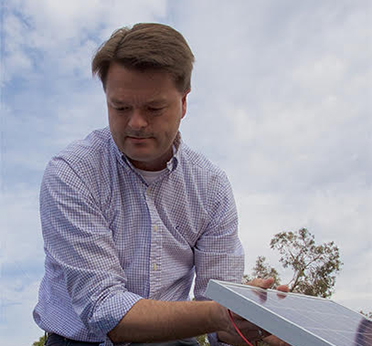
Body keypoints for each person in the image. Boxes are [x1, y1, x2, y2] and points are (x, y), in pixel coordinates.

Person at [33, 23, 289, 346]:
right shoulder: (72, 173)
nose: (136, 123)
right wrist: (218, 314)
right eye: (120, 107)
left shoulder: (211, 187)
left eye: (154, 108)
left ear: (184, 103)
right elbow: (103, 309)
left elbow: (222, 326)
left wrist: (255, 331)